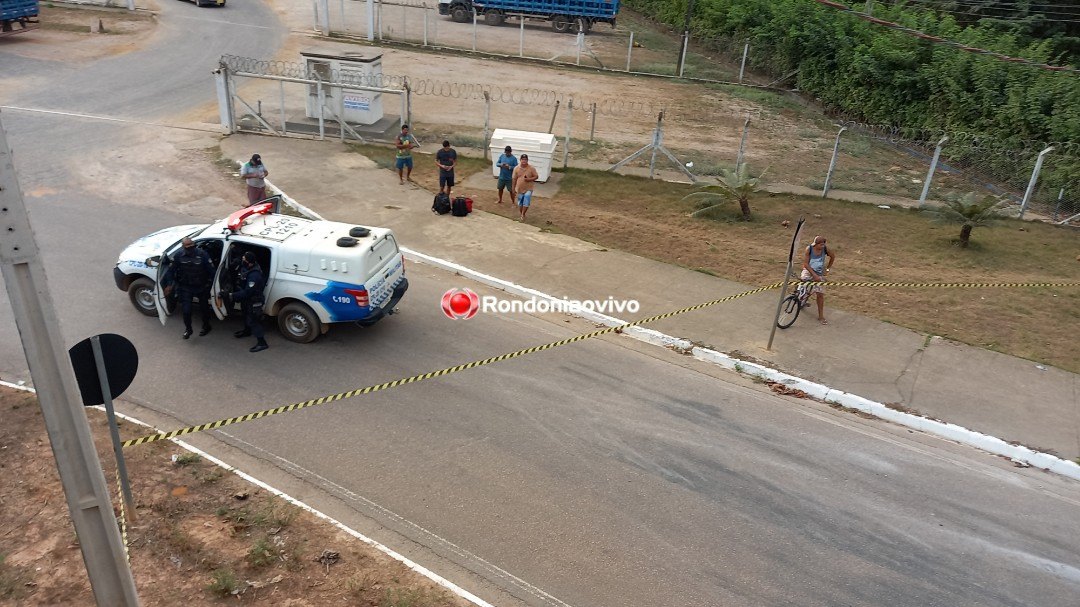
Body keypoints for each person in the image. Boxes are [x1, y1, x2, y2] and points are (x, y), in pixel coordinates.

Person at [166, 237, 215, 340]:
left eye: (191, 246)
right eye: (187, 247)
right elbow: (170, 271)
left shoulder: (202, 255)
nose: (190, 249)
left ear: (194, 245)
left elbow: (212, 271)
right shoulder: (179, 256)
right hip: (186, 287)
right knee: (186, 311)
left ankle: (206, 326)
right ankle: (188, 329)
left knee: (204, 309)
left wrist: (212, 286)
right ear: (183, 247)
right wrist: (169, 284)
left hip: (201, 286)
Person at [226, 252, 269, 352]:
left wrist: (231, 295)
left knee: (253, 321)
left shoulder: (254, 275)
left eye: (244, 259)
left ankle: (262, 343)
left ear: (249, 262)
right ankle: (247, 331)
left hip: (254, 300)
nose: (242, 261)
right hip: (247, 300)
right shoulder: (248, 268)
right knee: (245, 315)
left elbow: (248, 292)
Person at [801, 235, 836, 325]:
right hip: (808, 271)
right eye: (820, 245)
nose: (822, 246)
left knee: (820, 295)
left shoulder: (825, 249)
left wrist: (827, 269)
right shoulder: (809, 249)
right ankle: (801, 299)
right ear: (815, 244)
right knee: (803, 284)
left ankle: (821, 316)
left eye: (823, 244)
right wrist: (814, 275)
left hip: (820, 273)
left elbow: (832, 256)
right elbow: (805, 264)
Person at [512, 154, 539, 222]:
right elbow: (514, 179)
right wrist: (513, 188)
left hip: (529, 188)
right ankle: (522, 214)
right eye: (523, 159)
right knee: (520, 203)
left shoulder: (531, 168)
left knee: (526, 200)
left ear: (527, 160)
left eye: (525, 160)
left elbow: (536, 176)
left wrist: (529, 179)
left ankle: (523, 214)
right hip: (520, 188)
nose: (524, 161)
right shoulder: (516, 168)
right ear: (520, 160)